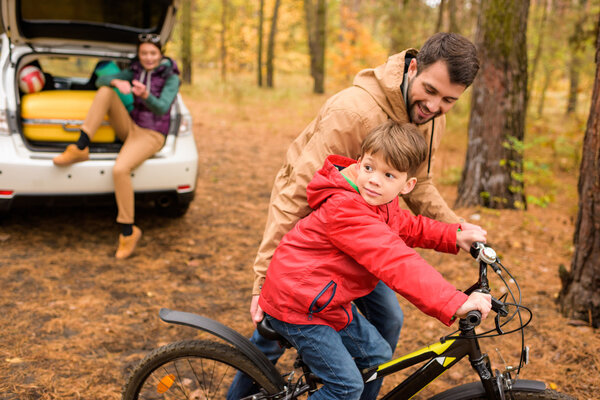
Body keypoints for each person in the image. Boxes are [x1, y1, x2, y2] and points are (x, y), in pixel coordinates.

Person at [229, 32, 485, 398]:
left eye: (448, 100)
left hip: (359, 241)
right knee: (274, 325)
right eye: (429, 90)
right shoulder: (352, 112)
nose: (433, 106)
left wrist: (456, 231)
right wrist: (264, 275)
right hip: (314, 255)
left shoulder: (429, 122)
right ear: (413, 67)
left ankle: (346, 390)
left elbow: (418, 189)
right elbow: (296, 192)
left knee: (386, 326)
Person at [258, 121, 491, 399]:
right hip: (298, 305)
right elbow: (394, 260)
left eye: (388, 175)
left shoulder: (378, 203)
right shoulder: (346, 207)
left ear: (407, 185)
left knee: (377, 356)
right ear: (358, 163)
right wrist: (455, 302)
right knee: (346, 388)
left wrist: (453, 235)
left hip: (324, 300)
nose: (374, 179)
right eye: (369, 167)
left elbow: (406, 226)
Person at [52, 33, 180, 259]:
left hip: (151, 134)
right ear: (139, 54)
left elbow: (162, 108)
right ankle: (81, 146)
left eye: (153, 53)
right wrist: (115, 81)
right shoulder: (135, 70)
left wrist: (146, 94)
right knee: (105, 91)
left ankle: (128, 232)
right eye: (144, 53)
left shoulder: (171, 77)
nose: (148, 58)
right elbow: (100, 81)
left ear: (161, 54)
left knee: (120, 170)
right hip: (131, 125)